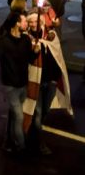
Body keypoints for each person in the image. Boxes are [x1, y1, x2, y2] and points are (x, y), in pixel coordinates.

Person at [0, 12, 39, 154]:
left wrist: (35, 53)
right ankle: (21, 145)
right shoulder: (3, 42)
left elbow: (29, 58)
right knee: (19, 116)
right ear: (16, 23)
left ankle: (8, 140)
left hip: (22, 85)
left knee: (14, 115)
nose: (26, 24)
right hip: (10, 86)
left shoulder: (26, 40)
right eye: (24, 21)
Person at [26, 12, 63, 155]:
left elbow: (57, 54)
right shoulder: (27, 39)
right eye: (31, 22)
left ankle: (32, 136)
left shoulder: (49, 35)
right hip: (37, 82)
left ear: (41, 22)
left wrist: (56, 78)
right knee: (38, 114)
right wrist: (34, 50)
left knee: (45, 112)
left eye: (36, 21)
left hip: (50, 80)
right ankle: (39, 144)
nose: (33, 24)